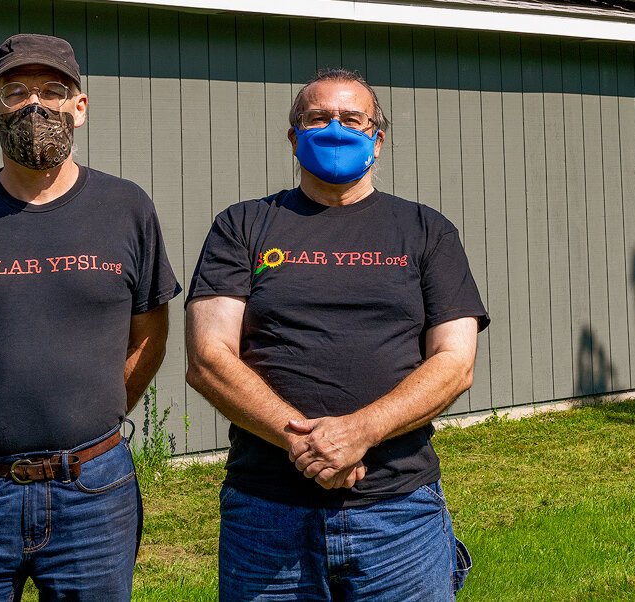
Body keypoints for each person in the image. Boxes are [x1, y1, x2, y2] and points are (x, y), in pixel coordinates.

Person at [185, 67, 488, 601]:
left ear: (378, 138)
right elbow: (209, 357)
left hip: (398, 512)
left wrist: (361, 432)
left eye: (352, 119)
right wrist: (306, 443)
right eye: (317, 118)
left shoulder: (426, 230)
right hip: (267, 513)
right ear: (293, 136)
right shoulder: (243, 225)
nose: (335, 129)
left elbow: (455, 362)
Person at [0, 33, 179, 602]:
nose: (35, 104)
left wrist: (93, 411)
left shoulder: (128, 208)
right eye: (15, 92)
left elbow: (150, 338)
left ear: (80, 106)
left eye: (53, 90)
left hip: (94, 490)